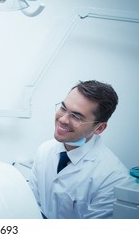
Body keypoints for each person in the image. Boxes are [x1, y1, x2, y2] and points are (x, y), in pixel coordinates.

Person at [29, 80, 133, 219]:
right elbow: (31, 205)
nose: (63, 119)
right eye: (63, 108)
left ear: (99, 128)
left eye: (76, 116)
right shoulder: (44, 150)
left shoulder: (113, 179)